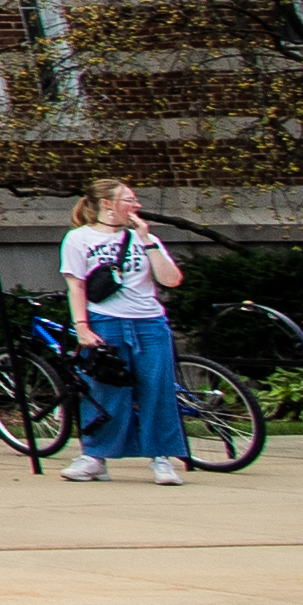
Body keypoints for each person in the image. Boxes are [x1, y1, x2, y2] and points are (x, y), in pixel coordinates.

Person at [60, 176, 185, 485]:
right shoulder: (79, 239)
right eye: (129, 199)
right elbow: (76, 286)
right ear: (107, 204)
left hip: (149, 323)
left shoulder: (143, 238)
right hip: (106, 322)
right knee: (106, 389)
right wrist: (82, 327)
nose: (136, 204)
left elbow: (171, 279)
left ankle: (161, 457)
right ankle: (95, 457)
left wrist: (148, 240)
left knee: (157, 389)